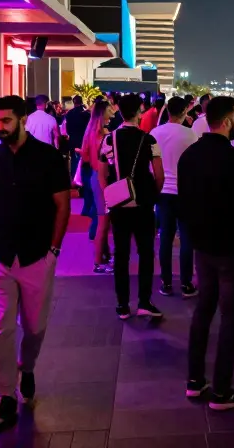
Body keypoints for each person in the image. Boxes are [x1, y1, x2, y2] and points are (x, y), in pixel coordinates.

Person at [0, 96, 73, 433]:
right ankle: (5, 394)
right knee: (0, 330)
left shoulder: (48, 158)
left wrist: (53, 250)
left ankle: (28, 366)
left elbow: (62, 206)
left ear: (22, 119)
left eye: (6, 121)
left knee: (34, 327)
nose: (1, 127)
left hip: (37, 255)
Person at [178, 96, 234, 410]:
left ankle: (194, 380)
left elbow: (184, 202)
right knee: (230, 317)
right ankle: (221, 391)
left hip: (202, 247)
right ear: (227, 120)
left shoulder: (189, 156)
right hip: (233, 250)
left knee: (203, 311)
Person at [98, 93, 165, 320]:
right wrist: (152, 195)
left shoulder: (109, 140)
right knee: (146, 252)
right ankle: (144, 301)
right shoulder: (149, 140)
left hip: (119, 204)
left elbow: (102, 172)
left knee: (121, 254)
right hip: (143, 203)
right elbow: (159, 174)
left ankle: (122, 305)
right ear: (139, 112)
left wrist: (110, 195)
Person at [151, 96, 198, 297]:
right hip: (185, 192)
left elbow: (151, 166)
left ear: (167, 111)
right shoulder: (191, 135)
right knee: (187, 239)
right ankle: (186, 283)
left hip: (163, 192)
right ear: (185, 112)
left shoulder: (155, 133)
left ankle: (166, 282)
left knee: (165, 239)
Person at [81, 99, 115, 272]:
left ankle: (105, 256)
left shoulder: (91, 131)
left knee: (103, 219)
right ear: (103, 112)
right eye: (110, 109)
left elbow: (85, 156)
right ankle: (98, 263)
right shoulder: (103, 135)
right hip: (103, 178)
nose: (113, 111)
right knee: (103, 221)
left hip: (95, 176)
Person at [65, 95, 91, 182]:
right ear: (81, 101)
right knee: (83, 160)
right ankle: (82, 180)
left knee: (73, 160)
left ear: (74, 102)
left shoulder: (69, 113)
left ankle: (74, 180)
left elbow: (67, 129)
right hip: (83, 140)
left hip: (73, 139)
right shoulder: (86, 114)